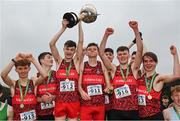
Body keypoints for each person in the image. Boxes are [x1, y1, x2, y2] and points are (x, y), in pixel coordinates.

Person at [99, 21, 143, 120]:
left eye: (124, 54)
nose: (122, 56)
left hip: (133, 110)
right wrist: (106, 35)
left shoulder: (134, 68)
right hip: (116, 110)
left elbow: (140, 50)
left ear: (128, 55)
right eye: (120, 54)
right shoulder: (114, 69)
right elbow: (101, 53)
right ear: (117, 57)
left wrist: (136, 30)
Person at [49, 17, 84, 121]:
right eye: (67, 49)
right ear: (63, 49)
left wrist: (79, 22)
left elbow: (81, 41)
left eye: (72, 50)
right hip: (60, 102)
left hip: (74, 102)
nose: (69, 51)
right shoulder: (59, 61)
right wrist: (63, 28)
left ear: (74, 51)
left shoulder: (76, 61)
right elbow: (51, 44)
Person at [137, 45, 180, 120]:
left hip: (155, 117)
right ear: (143, 63)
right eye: (146, 61)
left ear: (156, 63)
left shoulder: (159, 78)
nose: (148, 64)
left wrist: (175, 54)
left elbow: (176, 75)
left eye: (151, 61)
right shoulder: (139, 77)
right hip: (140, 117)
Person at [1, 53, 47, 120]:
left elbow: (44, 75)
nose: (23, 71)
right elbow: (3, 75)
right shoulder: (13, 84)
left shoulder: (33, 83)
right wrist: (14, 60)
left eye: (25, 68)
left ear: (29, 69)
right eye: (20, 69)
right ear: (16, 70)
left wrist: (33, 60)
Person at [78, 43, 112, 120]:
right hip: (86, 103)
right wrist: (81, 91)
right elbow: (79, 84)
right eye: (89, 49)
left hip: (100, 104)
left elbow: (108, 85)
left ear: (98, 52)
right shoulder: (83, 65)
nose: (92, 51)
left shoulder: (102, 65)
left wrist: (108, 88)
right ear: (86, 53)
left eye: (94, 49)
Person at [35, 52, 57, 120]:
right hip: (41, 114)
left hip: (56, 113)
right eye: (49, 57)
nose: (52, 59)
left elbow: (62, 93)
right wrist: (41, 99)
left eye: (52, 57)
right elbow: (32, 96)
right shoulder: (35, 77)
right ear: (42, 60)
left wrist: (53, 97)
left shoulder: (56, 74)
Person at [104, 48, 114, 120]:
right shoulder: (99, 68)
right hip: (101, 101)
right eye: (106, 54)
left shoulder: (116, 68)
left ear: (113, 56)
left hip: (114, 103)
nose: (108, 56)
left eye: (110, 55)